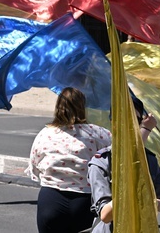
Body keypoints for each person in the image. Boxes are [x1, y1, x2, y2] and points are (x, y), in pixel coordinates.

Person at [28, 87, 112, 233]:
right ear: (82, 107)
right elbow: (117, 154)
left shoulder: (45, 134)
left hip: (51, 199)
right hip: (85, 200)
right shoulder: (98, 133)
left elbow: (34, 167)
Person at [87, 95, 160, 232]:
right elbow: (105, 215)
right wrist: (129, 195)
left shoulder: (149, 159)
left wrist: (151, 200)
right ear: (113, 123)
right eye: (125, 119)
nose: (130, 125)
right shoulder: (102, 162)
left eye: (136, 119)